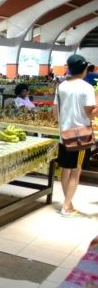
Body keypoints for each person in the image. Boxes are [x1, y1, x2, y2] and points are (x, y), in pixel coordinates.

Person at [54, 55, 98, 218]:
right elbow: (91, 114)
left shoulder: (61, 86)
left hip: (64, 134)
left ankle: (68, 203)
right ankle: (66, 207)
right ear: (85, 69)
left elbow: (55, 114)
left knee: (66, 170)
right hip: (80, 135)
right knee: (76, 171)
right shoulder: (86, 88)